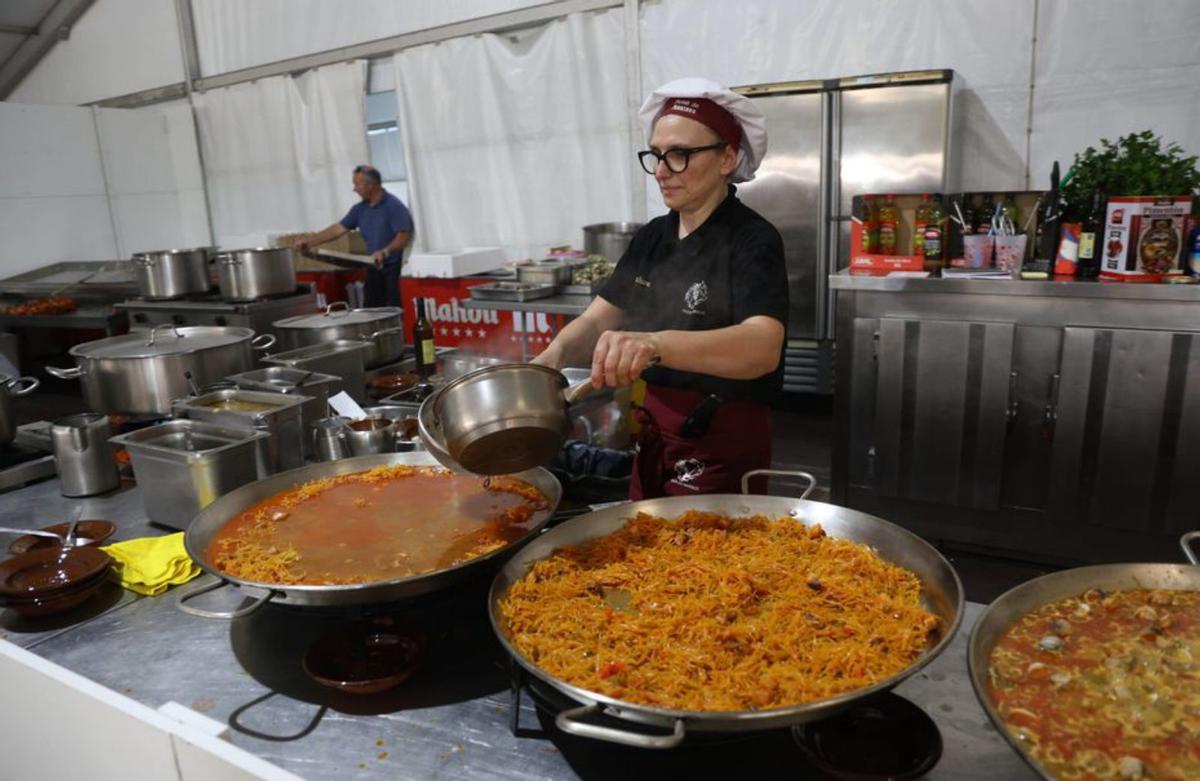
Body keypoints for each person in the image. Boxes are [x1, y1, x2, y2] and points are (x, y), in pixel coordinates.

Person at [533, 78, 788, 499]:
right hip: (655, 429)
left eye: (680, 155)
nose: (663, 171)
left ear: (727, 157)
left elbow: (762, 347)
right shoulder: (654, 235)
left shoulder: (753, 239)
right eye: (656, 156)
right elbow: (600, 316)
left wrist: (655, 343)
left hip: (720, 436)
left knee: (710, 559)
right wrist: (548, 360)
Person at [298, 165, 413, 307]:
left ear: (371, 185)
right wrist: (310, 242)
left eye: (357, 184)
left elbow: (403, 236)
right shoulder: (359, 210)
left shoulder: (393, 206)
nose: (354, 189)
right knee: (371, 311)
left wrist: (385, 252)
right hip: (373, 268)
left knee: (394, 312)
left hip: (393, 271)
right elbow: (337, 229)